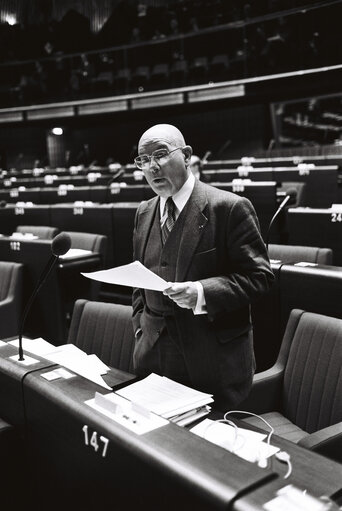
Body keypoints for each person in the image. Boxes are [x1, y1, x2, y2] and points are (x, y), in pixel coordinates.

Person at [132, 124, 274, 408]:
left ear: (185, 155)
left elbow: (260, 278)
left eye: (160, 154)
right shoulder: (143, 211)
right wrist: (140, 328)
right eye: (143, 160)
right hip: (153, 357)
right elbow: (139, 282)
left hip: (212, 362)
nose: (152, 166)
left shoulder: (230, 207)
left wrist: (201, 292)